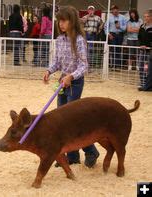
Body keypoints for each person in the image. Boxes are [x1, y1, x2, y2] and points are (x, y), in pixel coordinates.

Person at [43, 6, 99, 168]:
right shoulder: (60, 39)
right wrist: (49, 70)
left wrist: (71, 76)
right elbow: (57, 62)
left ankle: (91, 151)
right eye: (59, 20)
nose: (61, 24)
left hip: (74, 83)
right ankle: (72, 156)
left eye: (64, 20)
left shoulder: (80, 40)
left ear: (72, 21)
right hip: (62, 82)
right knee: (62, 121)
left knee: (71, 122)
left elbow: (84, 66)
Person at [138, 9, 152, 91]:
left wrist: (148, 45)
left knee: (149, 68)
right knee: (141, 67)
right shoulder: (142, 26)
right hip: (142, 50)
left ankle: (148, 85)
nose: (146, 18)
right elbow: (139, 37)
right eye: (145, 16)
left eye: (148, 16)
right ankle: (143, 84)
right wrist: (140, 45)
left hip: (150, 50)